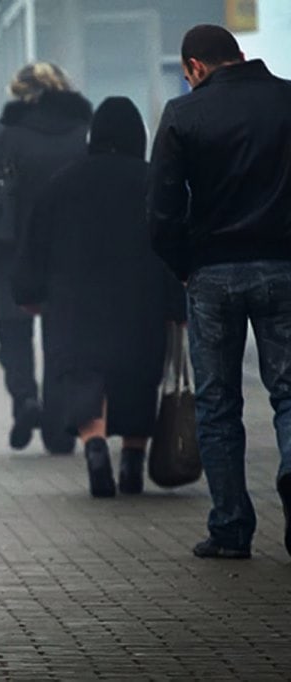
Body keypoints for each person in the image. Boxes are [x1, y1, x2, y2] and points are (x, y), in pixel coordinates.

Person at [148, 25, 291, 559]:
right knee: (289, 392)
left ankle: (231, 528)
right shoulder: (286, 99)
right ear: (240, 56)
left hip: (212, 273)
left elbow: (161, 209)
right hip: (283, 266)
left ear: (194, 68)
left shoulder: (184, 115)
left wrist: (183, 264)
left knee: (217, 404)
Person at [13, 97, 186, 498]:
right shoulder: (154, 182)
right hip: (140, 304)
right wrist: (178, 304)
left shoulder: (63, 183)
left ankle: (94, 448)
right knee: (140, 378)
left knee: (84, 376)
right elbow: (175, 245)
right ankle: (132, 461)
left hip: (76, 306)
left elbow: (33, 244)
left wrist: (28, 294)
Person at [0, 63, 92, 452]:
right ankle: (59, 427)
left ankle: (25, 398)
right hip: (67, 253)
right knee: (61, 339)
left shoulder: (6, 136)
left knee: (13, 335)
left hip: (9, 250)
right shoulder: (83, 134)